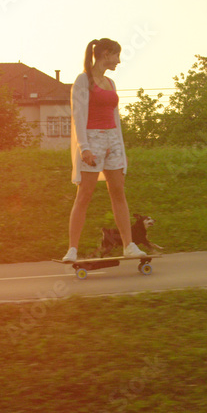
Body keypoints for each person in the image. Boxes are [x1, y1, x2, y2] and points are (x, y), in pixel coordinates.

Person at [62, 38, 146, 262]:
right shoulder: (83, 80)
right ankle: (72, 249)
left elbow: (115, 118)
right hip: (93, 139)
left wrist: (120, 148)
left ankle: (129, 245)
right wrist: (84, 148)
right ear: (106, 54)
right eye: (116, 55)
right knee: (84, 195)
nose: (119, 60)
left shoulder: (110, 82)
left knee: (118, 192)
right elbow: (78, 116)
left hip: (112, 140)